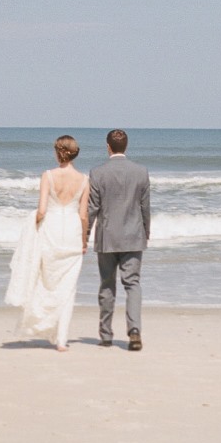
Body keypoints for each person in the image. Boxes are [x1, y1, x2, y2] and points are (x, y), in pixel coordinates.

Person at [4, 135, 89, 351]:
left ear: (57, 152)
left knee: (45, 280)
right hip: (71, 232)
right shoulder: (84, 179)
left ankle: (43, 323)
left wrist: (33, 227)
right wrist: (84, 240)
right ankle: (61, 340)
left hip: (50, 232)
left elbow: (42, 210)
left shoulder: (48, 176)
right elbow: (83, 215)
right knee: (68, 288)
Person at [86, 129, 151, 351]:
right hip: (133, 235)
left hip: (107, 237)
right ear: (126, 146)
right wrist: (146, 232)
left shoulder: (97, 173)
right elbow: (145, 207)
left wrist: (84, 236)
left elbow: (92, 208)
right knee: (132, 284)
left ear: (108, 146)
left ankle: (105, 335)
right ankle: (134, 331)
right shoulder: (141, 172)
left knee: (107, 284)